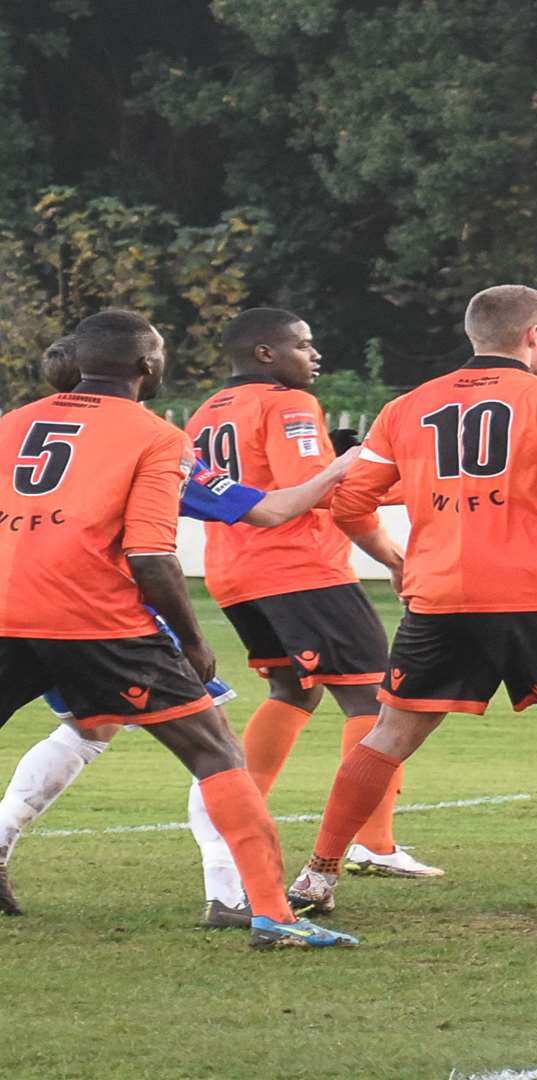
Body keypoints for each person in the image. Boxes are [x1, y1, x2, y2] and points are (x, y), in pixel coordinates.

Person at [287, 284, 537, 929]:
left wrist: (395, 560)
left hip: (440, 599)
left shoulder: (407, 407)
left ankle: (318, 874)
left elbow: (349, 501)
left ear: (474, 335)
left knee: (390, 734)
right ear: (536, 335)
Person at [0, 310, 353, 948]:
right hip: (95, 619)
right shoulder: (154, 436)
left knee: (90, 727)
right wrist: (192, 641)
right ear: (147, 364)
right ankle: (263, 911)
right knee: (215, 752)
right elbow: (152, 553)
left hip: (8, 612)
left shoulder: (13, 425)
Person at [186, 308, 440, 880]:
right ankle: (373, 842)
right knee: (374, 700)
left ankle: (234, 822)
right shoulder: (288, 403)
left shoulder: (205, 413)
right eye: (303, 344)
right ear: (266, 354)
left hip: (232, 572)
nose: (315, 355)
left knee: (292, 692)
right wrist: (403, 490)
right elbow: (317, 491)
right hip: (300, 571)